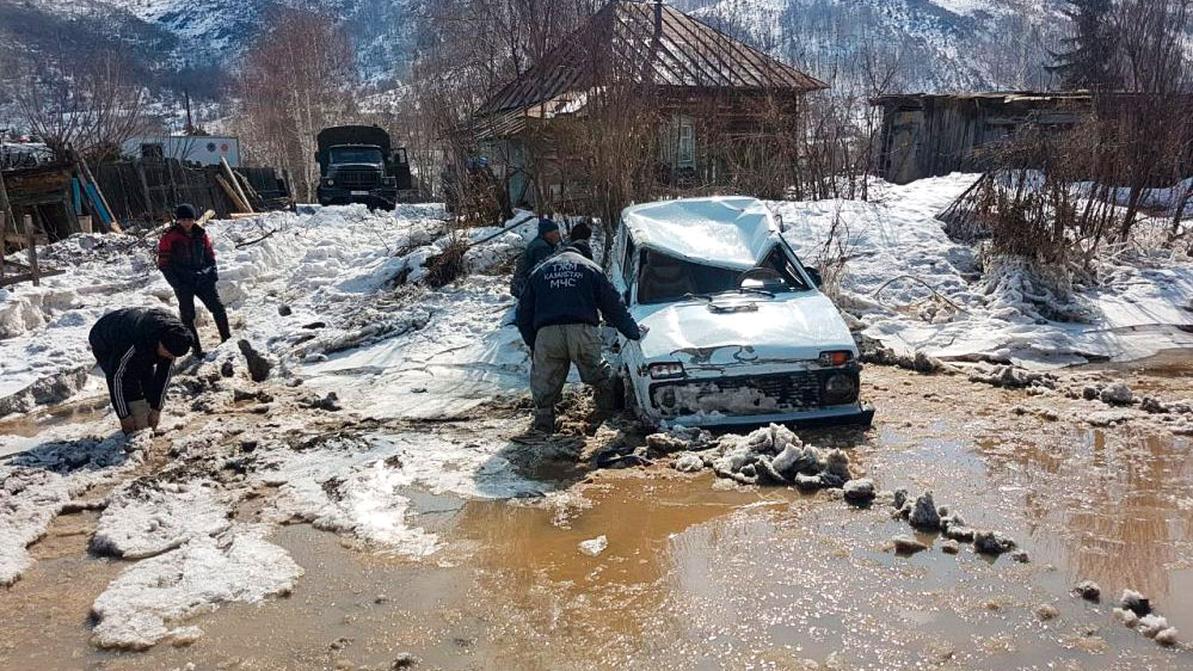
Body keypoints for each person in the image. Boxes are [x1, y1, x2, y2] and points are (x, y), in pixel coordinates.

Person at [516, 243, 644, 433]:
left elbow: (523, 312)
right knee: (598, 373)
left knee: (545, 378)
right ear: (585, 255)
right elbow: (613, 305)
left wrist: (533, 342)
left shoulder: (540, 271)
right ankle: (606, 414)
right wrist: (632, 331)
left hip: (547, 332)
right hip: (582, 330)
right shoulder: (591, 268)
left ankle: (543, 423)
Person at [88, 307, 193, 435]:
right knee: (129, 381)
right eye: (168, 353)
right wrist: (124, 416)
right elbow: (115, 377)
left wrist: (156, 409)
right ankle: (135, 421)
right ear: (160, 342)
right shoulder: (132, 342)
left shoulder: (175, 337)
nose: (171, 357)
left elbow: (163, 375)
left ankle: (144, 416)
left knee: (148, 379)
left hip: (144, 339)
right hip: (105, 340)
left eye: (174, 355)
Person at [158, 203, 231, 356]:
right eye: (183, 220)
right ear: (178, 220)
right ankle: (196, 349)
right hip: (183, 281)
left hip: (203, 278)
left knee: (218, 308)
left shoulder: (201, 234)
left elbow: (210, 256)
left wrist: (212, 273)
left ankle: (227, 340)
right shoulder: (169, 237)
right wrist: (176, 283)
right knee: (187, 316)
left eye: (189, 219)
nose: (187, 223)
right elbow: (164, 263)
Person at [510, 218, 561, 297]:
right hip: (525, 288)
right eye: (556, 233)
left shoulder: (540, 243)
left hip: (521, 286)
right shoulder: (541, 248)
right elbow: (545, 272)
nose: (558, 236)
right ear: (547, 234)